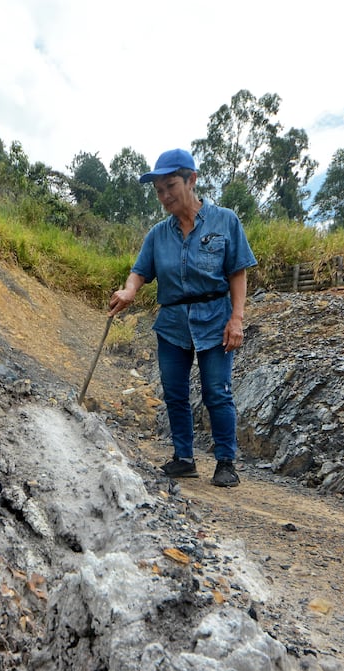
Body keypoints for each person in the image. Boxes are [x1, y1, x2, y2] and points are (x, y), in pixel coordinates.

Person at [108, 148, 257, 487]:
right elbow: (139, 272)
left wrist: (237, 319)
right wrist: (129, 290)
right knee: (174, 393)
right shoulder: (158, 234)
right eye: (159, 190)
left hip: (215, 318)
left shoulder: (225, 221)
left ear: (192, 180)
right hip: (173, 323)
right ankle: (184, 458)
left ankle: (225, 462)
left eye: (170, 186)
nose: (164, 196)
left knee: (217, 391)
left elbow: (237, 272)